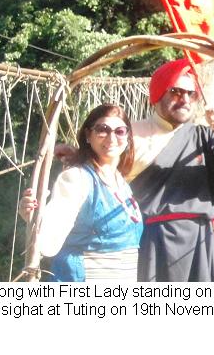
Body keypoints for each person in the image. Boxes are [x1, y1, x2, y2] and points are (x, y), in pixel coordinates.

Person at [126, 58, 214, 282]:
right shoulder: (129, 134)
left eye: (191, 93)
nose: (184, 99)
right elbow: (100, 171)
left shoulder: (206, 138)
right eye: (176, 91)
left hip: (200, 242)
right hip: (150, 241)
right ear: (157, 93)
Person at [19, 104, 142, 282]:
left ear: (128, 137)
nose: (111, 137)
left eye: (120, 131)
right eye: (102, 129)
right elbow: (47, 243)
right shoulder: (76, 179)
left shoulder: (120, 181)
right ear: (87, 135)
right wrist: (33, 217)